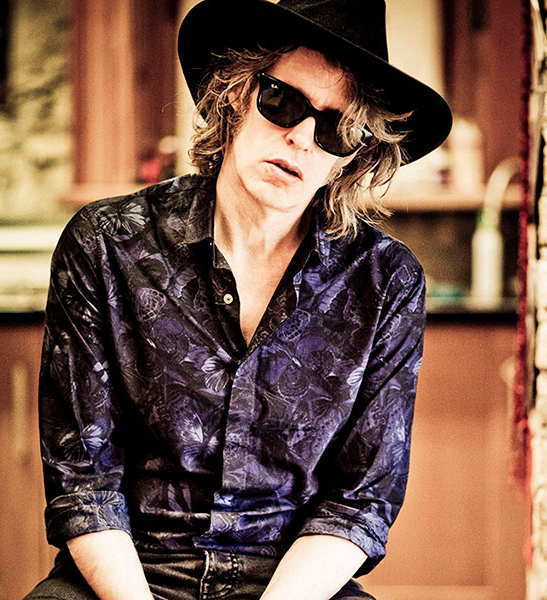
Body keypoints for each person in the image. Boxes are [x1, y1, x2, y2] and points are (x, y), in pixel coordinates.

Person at [23, 1, 451, 599]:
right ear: (235, 95)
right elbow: (84, 481)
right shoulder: (106, 244)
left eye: (338, 127)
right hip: (127, 572)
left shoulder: (384, 281)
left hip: (290, 581)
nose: (302, 137)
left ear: (353, 155)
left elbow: (360, 500)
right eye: (282, 101)